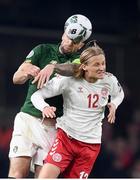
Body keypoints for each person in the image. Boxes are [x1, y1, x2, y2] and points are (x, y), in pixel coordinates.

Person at [8, 14, 93, 178]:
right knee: (17, 173)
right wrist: (28, 71)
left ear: (81, 45)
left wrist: (52, 67)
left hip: (54, 128)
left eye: (75, 41)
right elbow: (16, 78)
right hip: (27, 119)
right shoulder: (43, 49)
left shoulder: (78, 60)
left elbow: (74, 70)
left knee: (43, 177)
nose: (69, 43)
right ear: (63, 33)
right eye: (68, 37)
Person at [31, 43, 124, 178]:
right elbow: (37, 95)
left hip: (90, 145)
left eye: (103, 63)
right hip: (66, 139)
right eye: (96, 64)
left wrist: (114, 104)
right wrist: (44, 107)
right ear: (84, 66)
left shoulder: (109, 80)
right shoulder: (68, 80)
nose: (102, 68)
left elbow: (119, 94)